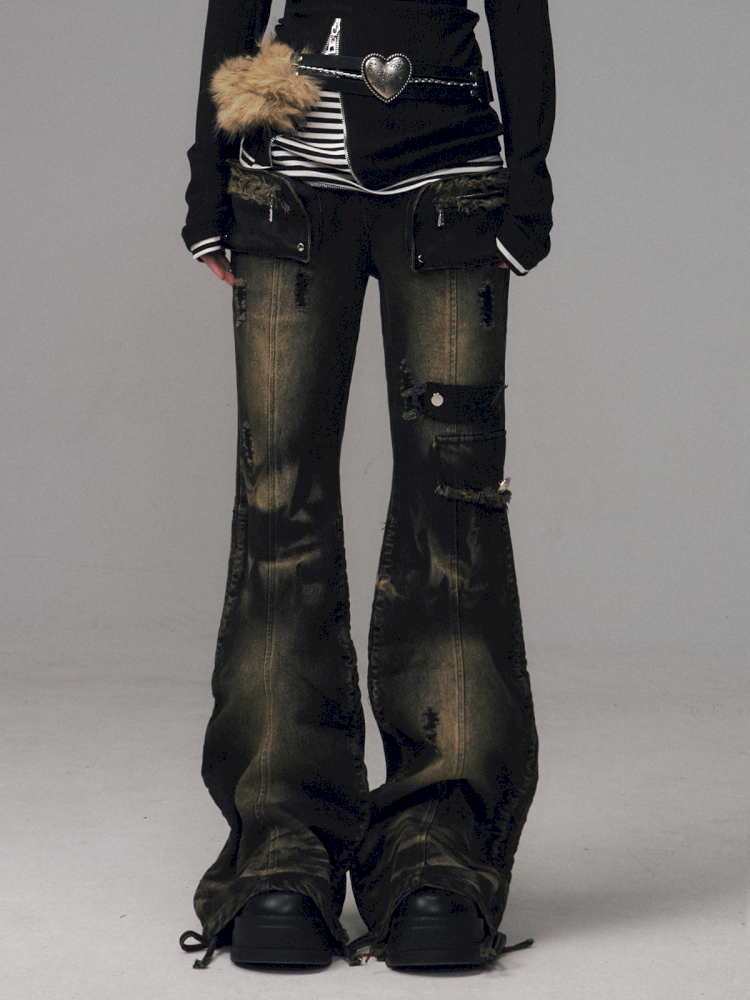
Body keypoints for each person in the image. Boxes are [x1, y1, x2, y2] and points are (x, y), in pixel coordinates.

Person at [178, 0, 555, 972]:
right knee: (279, 503)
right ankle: (282, 842)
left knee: (454, 507)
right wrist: (207, 173)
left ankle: (442, 842)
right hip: (289, 173)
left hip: (449, 172)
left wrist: (529, 173)